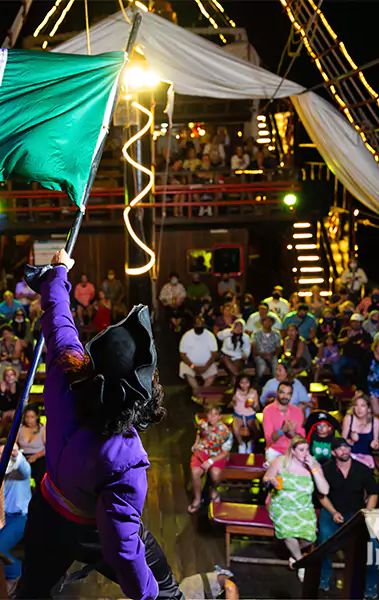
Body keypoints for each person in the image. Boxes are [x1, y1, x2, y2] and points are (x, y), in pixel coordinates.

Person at [17, 249, 182, 600]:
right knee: (165, 590)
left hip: (47, 508)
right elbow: (122, 549)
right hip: (90, 529)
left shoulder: (68, 369)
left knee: (32, 594)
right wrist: (149, 594)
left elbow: (59, 319)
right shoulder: (126, 458)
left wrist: (58, 273)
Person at [318, 438, 379, 597]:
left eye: (346, 447)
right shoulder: (326, 469)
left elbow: (373, 492)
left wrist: (366, 513)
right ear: (333, 452)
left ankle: (371, 586)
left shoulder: (362, 469)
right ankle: (323, 578)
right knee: (324, 538)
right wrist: (333, 512)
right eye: (340, 448)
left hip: (356, 513)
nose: (344, 451)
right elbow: (321, 496)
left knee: (373, 545)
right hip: (333, 510)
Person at [263, 436, 329, 581]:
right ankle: (301, 562)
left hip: (303, 506)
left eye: (307, 450)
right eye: (301, 450)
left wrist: (314, 469)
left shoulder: (313, 465)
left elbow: (324, 490)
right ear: (293, 451)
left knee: (310, 536)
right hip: (281, 505)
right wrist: (272, 481)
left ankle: (294, 554)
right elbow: (266, 478)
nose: (305, 453)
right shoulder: (280, 462)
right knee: (288, 531)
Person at [0, 440, 31, 596]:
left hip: (19, 517)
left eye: (5, 452)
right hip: (1, 514)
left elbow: (24, 468)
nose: (1, 456)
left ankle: (14, 573)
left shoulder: (19, 469)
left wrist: (16, 454)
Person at [188, 405, 233, 513]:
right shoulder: (202, 424)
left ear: (219, 416)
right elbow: (199, 433)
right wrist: (196, 443)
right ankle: (197, 499)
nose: (212, 417)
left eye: (215, 415)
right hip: (202, 451)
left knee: (215, 474)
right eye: (210, 414)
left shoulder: (225, 432)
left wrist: (210, 462)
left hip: (217, 455)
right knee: (195, 472)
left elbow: (225, 452)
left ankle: (213, 490)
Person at [261, 382, 307, 464]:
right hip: (274, 451)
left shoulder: (297, 412)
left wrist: (292, 434)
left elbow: (302, 440)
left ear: (291, 395)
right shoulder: (268, 410)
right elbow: (269, 440)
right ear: (277, 392)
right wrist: (282, 430)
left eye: (288, 394)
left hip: (293, 451)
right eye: (282, 392)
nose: (285, 396)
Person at [179, 316, 220, 397]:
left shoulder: (210, 335)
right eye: (197, 324)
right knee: (185, 370)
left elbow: (214, 353)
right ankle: (197, 391)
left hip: (206, 364)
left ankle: (203, 392)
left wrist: (206, 366)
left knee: (213, 372)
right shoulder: (187, 336)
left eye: (201, 325)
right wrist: (192, 366)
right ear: (193, 325)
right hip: (191, 364)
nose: (199, 326)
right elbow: (183, 354)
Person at [342, 394, 379, 469]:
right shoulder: (348, 419)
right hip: (350, 455)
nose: (359, 409)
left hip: (366, 457)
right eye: (356, 405)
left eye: (362, 406)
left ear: (368, 408)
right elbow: (341, 443)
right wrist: (351, 440)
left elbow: (376, 443)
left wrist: (375, 445)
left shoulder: (375, 421)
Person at [333, 313, 373, 385]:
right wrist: (348, 337)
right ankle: (343, 385)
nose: (355, 324)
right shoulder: (345, 331)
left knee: (361, 370)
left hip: (359, 358)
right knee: (336, 365)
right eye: (353, 321)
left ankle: (358, 387)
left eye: (357, 322)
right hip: (346, 356)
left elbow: (370, 345)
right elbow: (338, 343)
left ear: (361, 323)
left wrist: (364, 345)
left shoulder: (364, 333)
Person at [19, 404, 47, 493]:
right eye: (27, 417)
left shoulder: (43, 428)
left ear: (37, 417)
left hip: (39, 456)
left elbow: (49, 447)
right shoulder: (19, 428)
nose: (29, 420)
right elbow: (12, 444)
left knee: (40, 470)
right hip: (23, 457)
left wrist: (36, 456)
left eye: (32, 417)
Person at [231, 374, 260, 454]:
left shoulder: (254, 392)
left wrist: (253, 405)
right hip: (238, 414)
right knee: (235, 429)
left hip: (250, 415)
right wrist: (233, 403)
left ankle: (251, 442)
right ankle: (241, 444)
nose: (244, 385)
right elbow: (231, 403)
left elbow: (257, 408)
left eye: (246, 382)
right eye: (242, 383)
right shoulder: (236, 391)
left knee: (256, 431)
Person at [251, 314, 281, 384]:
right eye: (266, 321)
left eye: (269, 321)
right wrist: (261, 355)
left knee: (275, 365)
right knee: (262, 366)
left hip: (272, 354)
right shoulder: (256, 334)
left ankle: (276, 383)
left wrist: (272, 354)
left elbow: (278, 348)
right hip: (259, 354)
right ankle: (257, 383)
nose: (268, 323)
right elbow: (254, 348)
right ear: (262, 323)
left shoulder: (276, 334)